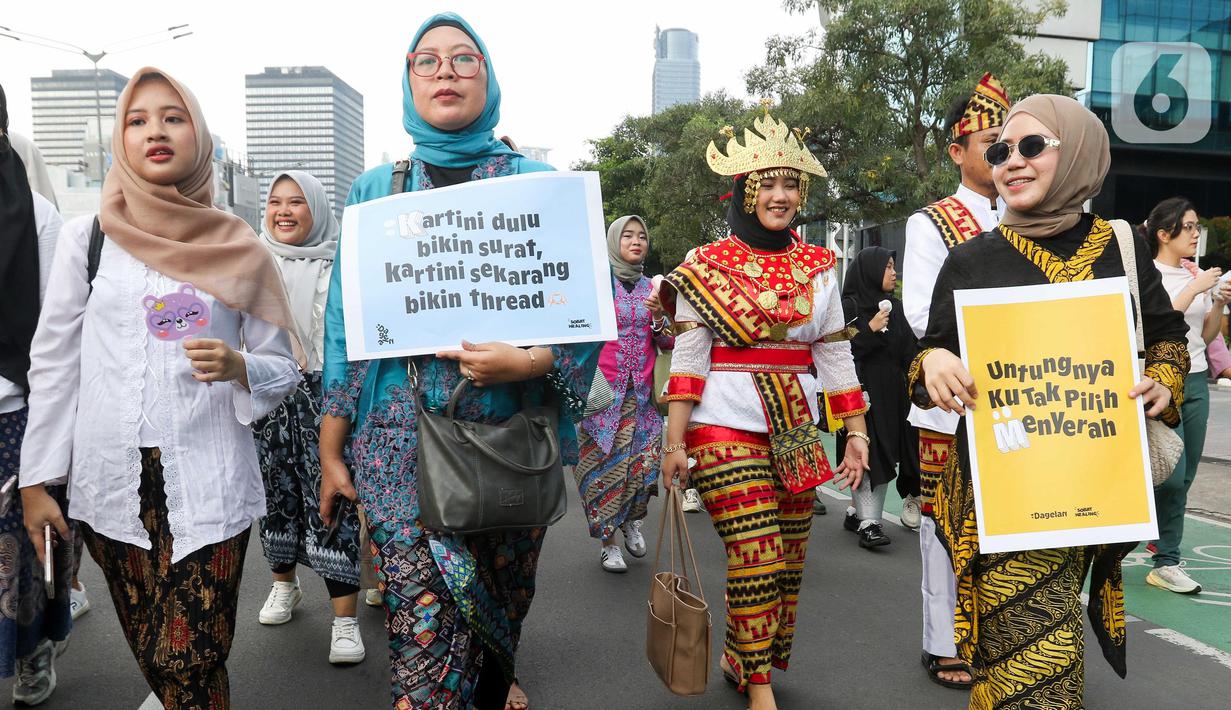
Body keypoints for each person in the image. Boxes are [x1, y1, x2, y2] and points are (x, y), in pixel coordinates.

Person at [317, 14, 599, 710]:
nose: (444, 72)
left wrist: (528, 362)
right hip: (395, 449)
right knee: (421, 634)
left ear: (488, 77)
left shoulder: (539, 185)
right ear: (409, 80)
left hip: (508, 442)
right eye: (427, 61)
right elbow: (343, 328)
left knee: (497, 618)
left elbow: (583, 317)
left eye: (462, 59)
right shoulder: (375, 191)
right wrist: (330, 451)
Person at [18, 68, 302, 709]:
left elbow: (283, 368)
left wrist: (239, 366)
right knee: (160, 660)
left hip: (209, 482)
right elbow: (55, 365)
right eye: (138, 119)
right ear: (121, 137)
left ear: (197, 133)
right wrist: (38, 482)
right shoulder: (85, 240)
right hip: (109, 484)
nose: (156, 131)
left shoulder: (239, 245)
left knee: (189, 655)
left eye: (173, 117)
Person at [910, 94, 1189, 709]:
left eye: (1033, 146)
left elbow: (1168, 334)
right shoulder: (971, 260)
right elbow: (925, 354)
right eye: (1002, 149)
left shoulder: (1120, 246)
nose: (1012, 161)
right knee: (1031, 667)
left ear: (1079, 155)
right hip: (1001, 496)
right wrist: (933, 364)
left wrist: (1164, 381)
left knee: (1040, 665)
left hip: (1090, 488)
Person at [661, 106, 871, 710]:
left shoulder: (819, 267)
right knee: (758, 554)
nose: (780, 196)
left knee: (787, 563)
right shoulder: (705, 266)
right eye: (768, 185)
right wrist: (674, 446)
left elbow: (833, 357)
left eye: (790, 185)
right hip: (721, 427)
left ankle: (743, 656)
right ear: (746, 193)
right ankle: (759, 686)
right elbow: (689, 362)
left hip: (796, 430)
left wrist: (854, 431)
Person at [902, 72, 1010, 690]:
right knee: (944, 522)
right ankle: (945, 639)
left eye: (1015, 146)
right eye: (993, 145)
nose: (1004, 159)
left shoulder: (1037, 215)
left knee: (1016, 517)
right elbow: (921, 315)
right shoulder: (932, 224)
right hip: (952, 399)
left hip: (1026, 397)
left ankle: (1005, 628)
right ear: (957, 150)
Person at [254, 170, 365, 662]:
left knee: (332, 498)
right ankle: (285, 584)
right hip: (269, 398)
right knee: (275, 495)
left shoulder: (343, 264)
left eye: (297, 202)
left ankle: (345, 621)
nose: (284, 211)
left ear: (317, 210)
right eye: (276, 201)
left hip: (328, 395)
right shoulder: (251, 261)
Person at [0, 83, 71, 707]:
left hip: (13, 415)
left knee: (21, 560)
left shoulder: (39, 219)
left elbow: (54, 336)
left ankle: (34, 650)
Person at [1143, 197, 1231, 594]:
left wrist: (1217, 303)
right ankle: (1166, 558)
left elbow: (1207, 337)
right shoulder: (1148, 276)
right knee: (1171, 477)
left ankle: (1160, 547)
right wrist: (1197, 287)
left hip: (1196, 380)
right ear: (1164, 234)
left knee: (1187, 473)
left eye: (1197, 226)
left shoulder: (1195, 275)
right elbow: (1157, 323)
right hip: (1163, 382)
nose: (1197, 234)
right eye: (1189, 227)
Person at [575, 216, 672, 573]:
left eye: (642, 236)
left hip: (643, 395)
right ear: (613, 241)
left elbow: (668, 341)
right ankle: (609, 543)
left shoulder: (654, 288)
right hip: (602, 392)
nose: (636, 241)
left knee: (644, 466)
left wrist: (660, 318)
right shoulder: (596, 285)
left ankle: (633, 521)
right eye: (628, 235)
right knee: (603, 469)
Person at [838, 247, 914, 548]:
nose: (894, 273)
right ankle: (870, 523)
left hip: (892, 396)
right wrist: (868, 330)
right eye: (888, 267)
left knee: (886, 450)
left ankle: (857, 511)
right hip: (859, 395)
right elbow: (837, 351)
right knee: (871, 452)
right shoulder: (849, 307)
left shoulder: (896, 308)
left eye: (894, 267)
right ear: (870, 270)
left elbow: (909, 350)